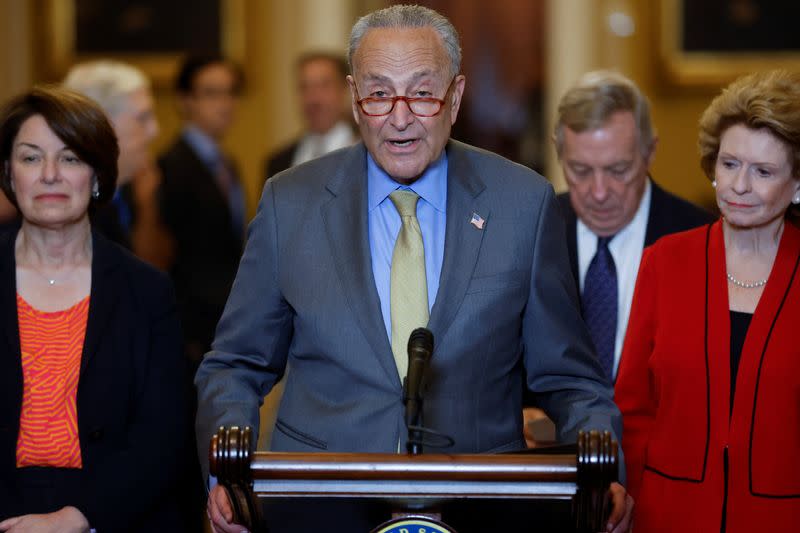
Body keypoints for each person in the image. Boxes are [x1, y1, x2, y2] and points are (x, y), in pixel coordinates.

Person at [197, 5, 631, 533]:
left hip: (480, 505)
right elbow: (235, 365)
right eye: (379, 94)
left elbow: (571, 380)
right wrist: (228, 477)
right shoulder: (291, 202)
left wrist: (606, 471)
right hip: (319, 505)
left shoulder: (523, 203)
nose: (399, 117)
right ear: (355, 100)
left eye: (422, 92)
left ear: (456, 96)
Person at [615, 69, 800, 532]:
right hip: (666, 517)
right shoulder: (665, 261)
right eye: (729, 163)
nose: (739, 186)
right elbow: (633, 408)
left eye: (763, 171)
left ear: (797, 186)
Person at [0, 87, 186, 531]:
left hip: (114, 514)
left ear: (98, 176)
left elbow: (163, 436)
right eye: (30, 158)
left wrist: (78, 518)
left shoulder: (147, 290)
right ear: (9, 174)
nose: (49, 175)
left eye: (69, 158)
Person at [523, 71, 713, 445]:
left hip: (664, 467)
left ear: (650, 151)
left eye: (617, 170)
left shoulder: (700, 240)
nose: (598, 192)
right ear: (558, 154)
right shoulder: (530, 232)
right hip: (552, 468)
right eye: (579, 171)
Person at [158, 54, 246, 367]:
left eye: (230, 91)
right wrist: (187, 334)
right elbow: (171, 260)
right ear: (185, 101)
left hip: (223, 323)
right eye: (211, 93)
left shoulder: (227, 164)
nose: (225, 103)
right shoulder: (170, 167)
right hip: (193, 332)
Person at [62, 61, 164, 257]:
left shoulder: (132, 183)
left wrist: (147, 204)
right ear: (98, 125)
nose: (154, 131)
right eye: (142, 118)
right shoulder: (68, 207)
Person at [264, 51, 356, 179]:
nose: (313, 98)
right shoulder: (278, 163)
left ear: (346, 90)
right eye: (305, 87)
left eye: (324, 86)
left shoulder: (368, 155)